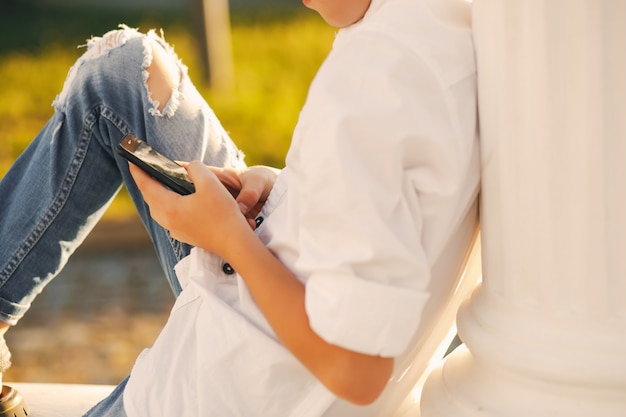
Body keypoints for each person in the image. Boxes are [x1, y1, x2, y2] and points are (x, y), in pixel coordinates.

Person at [0, 0, 479, 415]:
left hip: (231, 385)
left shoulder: (369, 90)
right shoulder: (444, 24)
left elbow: (355, 370)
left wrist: (227, 235)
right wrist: (283, 185)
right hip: (265, 282)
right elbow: (378, 192)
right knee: (124, 73)